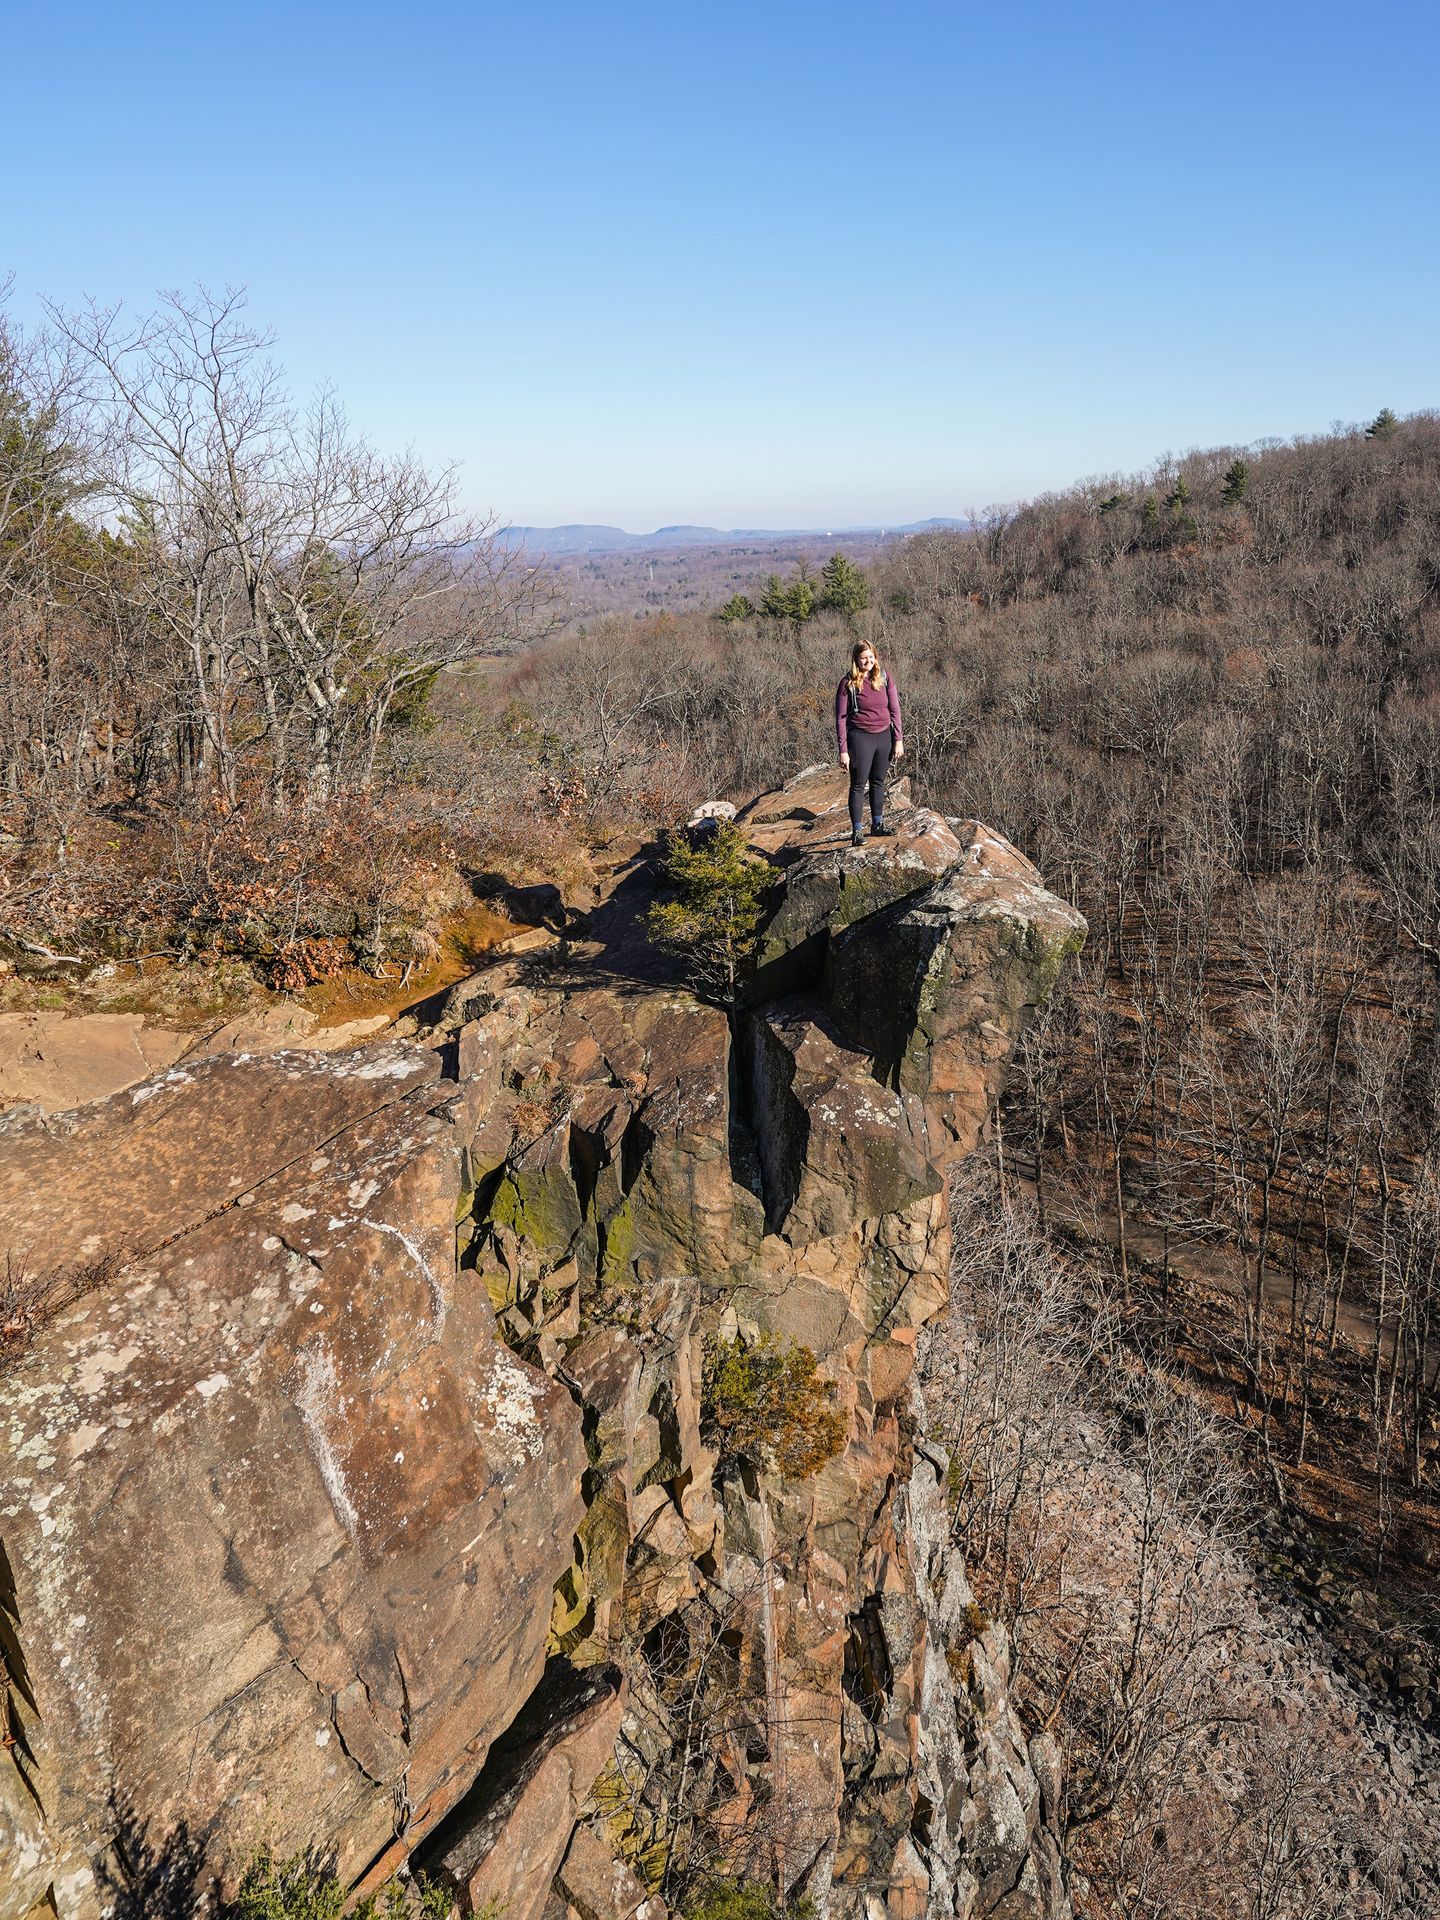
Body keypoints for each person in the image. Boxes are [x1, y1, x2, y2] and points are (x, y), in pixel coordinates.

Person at [835, 640, 904, 846]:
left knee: (878, 781)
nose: (868, 661)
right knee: (858, 784)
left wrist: (898, 739)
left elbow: (895, 709)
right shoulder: (847, 683)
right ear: (856, 659)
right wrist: (843, 750)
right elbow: (840, 718)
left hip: (884, 736)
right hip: (860, 738)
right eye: (864, 657)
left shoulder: (884, 677)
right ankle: (856, 832)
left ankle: (877, 824)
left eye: (871, 657)